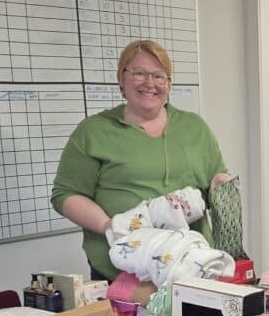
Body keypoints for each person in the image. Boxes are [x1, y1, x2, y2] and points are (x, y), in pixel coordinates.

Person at [51, 39, 230, 281]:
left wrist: (222, 185)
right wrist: (112, 226)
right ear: (121, 80)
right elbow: (66, 195)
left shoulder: (194, 127)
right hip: (123, 270)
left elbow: (216, 178)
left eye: (159, 76)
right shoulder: (94, 131)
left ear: (168, 83)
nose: (150, 83)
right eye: (139, 73)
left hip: (188, 267)